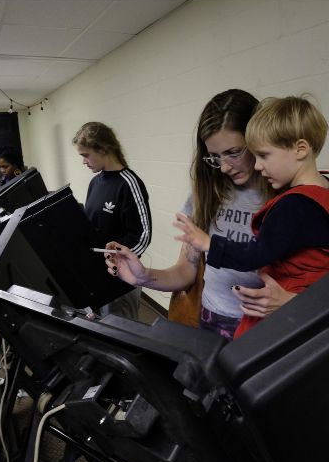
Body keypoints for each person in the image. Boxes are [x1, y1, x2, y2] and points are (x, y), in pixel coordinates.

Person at [172, 94, 329, 339]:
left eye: (263, 155)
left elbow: (255, 254)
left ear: (300, 149)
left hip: (284, 309)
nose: (259, 166)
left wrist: (209, 243)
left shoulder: (293, 206)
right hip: (313, 303)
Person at [103, 89, 275, 340]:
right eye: (215, 157)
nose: (224, 167)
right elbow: (186, 272)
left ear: (258, 138)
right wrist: (143, 276)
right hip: (210, 319)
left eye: (234, 152)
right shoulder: (206, 195)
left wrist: (290, 301)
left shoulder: (285, 198)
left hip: (264, 329)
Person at [72, 121, 152, 320]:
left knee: (124, 337)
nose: (83, 161)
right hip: (97, 276)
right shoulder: (95, 182)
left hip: (121, 280)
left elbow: (143, 235)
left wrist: (121, 261)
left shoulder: (129, 183)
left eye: (86, 155)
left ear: (103, 149)